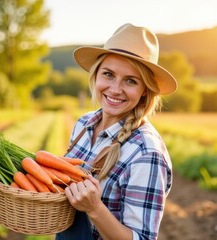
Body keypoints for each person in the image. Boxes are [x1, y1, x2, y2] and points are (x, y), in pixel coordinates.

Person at [55, 23, 177, 240]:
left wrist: (95, 209)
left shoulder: (146, 153)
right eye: (108, 74)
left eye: (130, 81)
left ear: (144, 91)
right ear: (95, 75)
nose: (115, 89)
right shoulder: (83, 124)